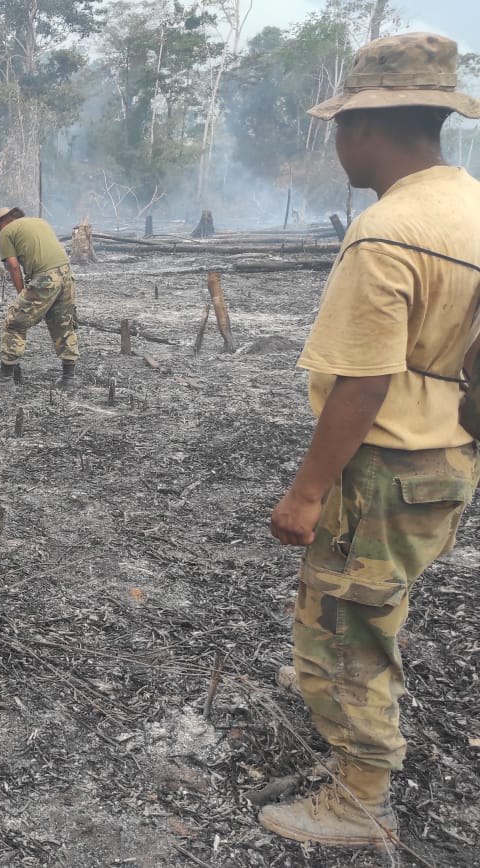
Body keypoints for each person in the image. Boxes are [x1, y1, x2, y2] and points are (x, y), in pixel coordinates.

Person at [261, 32, 480, 850]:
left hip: (384, 468)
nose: (338, 141)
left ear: (367, 126)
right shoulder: (471, 206)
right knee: (377, 606)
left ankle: (360, 799)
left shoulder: (388, 229)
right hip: (447, 458)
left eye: (342, 124)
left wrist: (307, 491)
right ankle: (351, 724)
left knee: (347, 625)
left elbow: (363, 383)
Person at [0, 207, 79, 391]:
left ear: (1, 224)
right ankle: (68, 379)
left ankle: (5, 381)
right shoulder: (40, 222)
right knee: (62, 323)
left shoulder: (6, 231)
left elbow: (13, 267)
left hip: (46, 278)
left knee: (14, 322)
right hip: (66, 274)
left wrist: (22, 294)